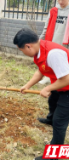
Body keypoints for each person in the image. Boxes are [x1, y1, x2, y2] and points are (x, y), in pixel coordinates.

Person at [13, 28, 69, 160]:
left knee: (59, 122)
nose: (23, 53)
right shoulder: (40, 51)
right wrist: (27, 85)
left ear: (28, 46)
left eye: (22, 50)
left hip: (67, 87)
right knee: (52, 102)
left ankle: (54, 156)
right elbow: (41, 71)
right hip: (60, 84)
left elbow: (67, 79)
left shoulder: (53, 53)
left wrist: (48, 88)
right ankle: (50, 120)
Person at [39, 0, 69, 85]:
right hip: (52, 41)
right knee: (49, 60)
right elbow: (46, 27)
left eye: (63, 0)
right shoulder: (53, 11)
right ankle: (48, 77)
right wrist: (40, 40)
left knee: (65, 61)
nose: (60, 2)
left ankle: (63, 79)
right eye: (59, 0)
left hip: (65, 42)